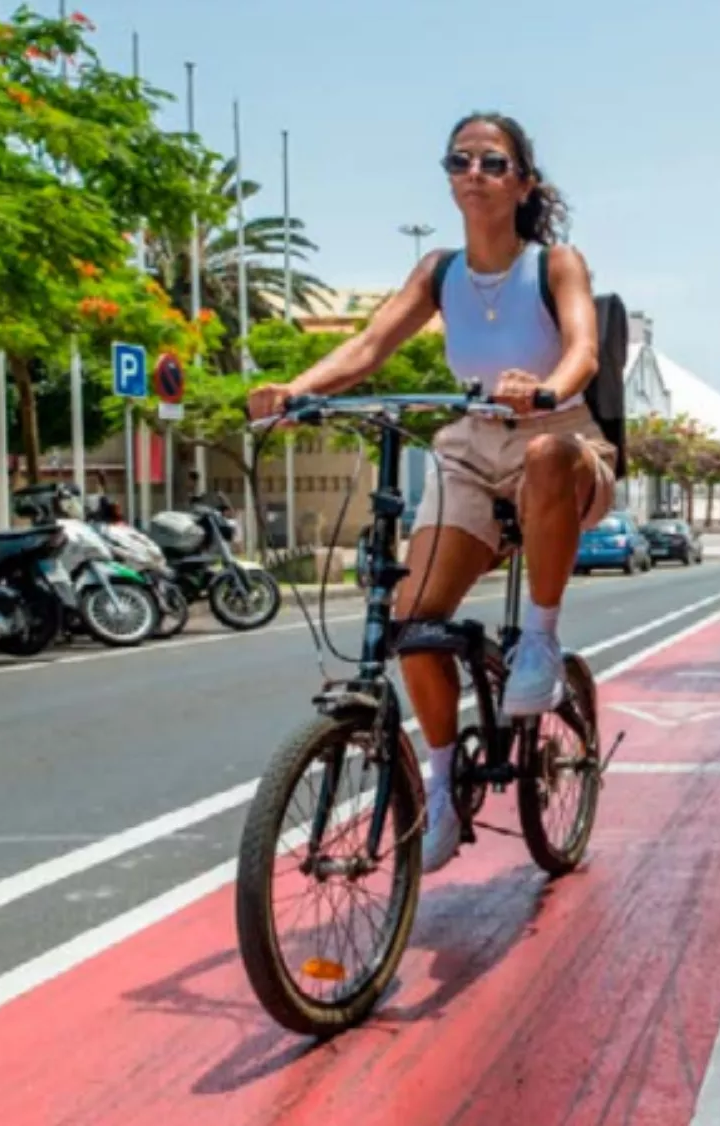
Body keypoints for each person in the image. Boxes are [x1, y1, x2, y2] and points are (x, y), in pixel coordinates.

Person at [246, 112, 616, 873]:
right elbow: (368, 346)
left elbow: (583, 348)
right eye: (460, 161)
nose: (474, 173)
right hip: (470, 445)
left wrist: (545, 387)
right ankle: (442, 787)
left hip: (562, 436)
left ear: (523, 183)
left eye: (492, 162)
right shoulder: (439, 272)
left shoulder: (555, 263)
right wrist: (295, 389)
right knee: (412, 621)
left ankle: (539, 642)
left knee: (546, 455)